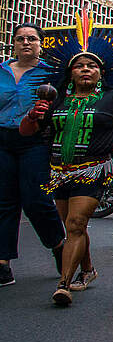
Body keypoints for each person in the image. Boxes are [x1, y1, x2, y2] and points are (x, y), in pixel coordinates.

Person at [20, 25, 113, 305]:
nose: (85, 70)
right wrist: (32, 115)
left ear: (101, 73)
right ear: (70, 73)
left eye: (92, 66)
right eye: (79, 66)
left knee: (76, 223)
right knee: (73, 226)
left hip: (95, 169)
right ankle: (87, 269)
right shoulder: (56, 99)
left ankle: (64, 283)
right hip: (59, 172)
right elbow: (28, 131)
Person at [0, 24, 66, 287]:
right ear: (13, 44)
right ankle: (3, 262)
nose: (26, 43)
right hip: (2, 139)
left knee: (36, 199)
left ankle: (59, 245)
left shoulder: (51, 73)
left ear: (40, 44)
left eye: (32, 39)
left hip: (35, 140)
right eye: (20, 39)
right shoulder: (2, 70)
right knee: (4, 202)